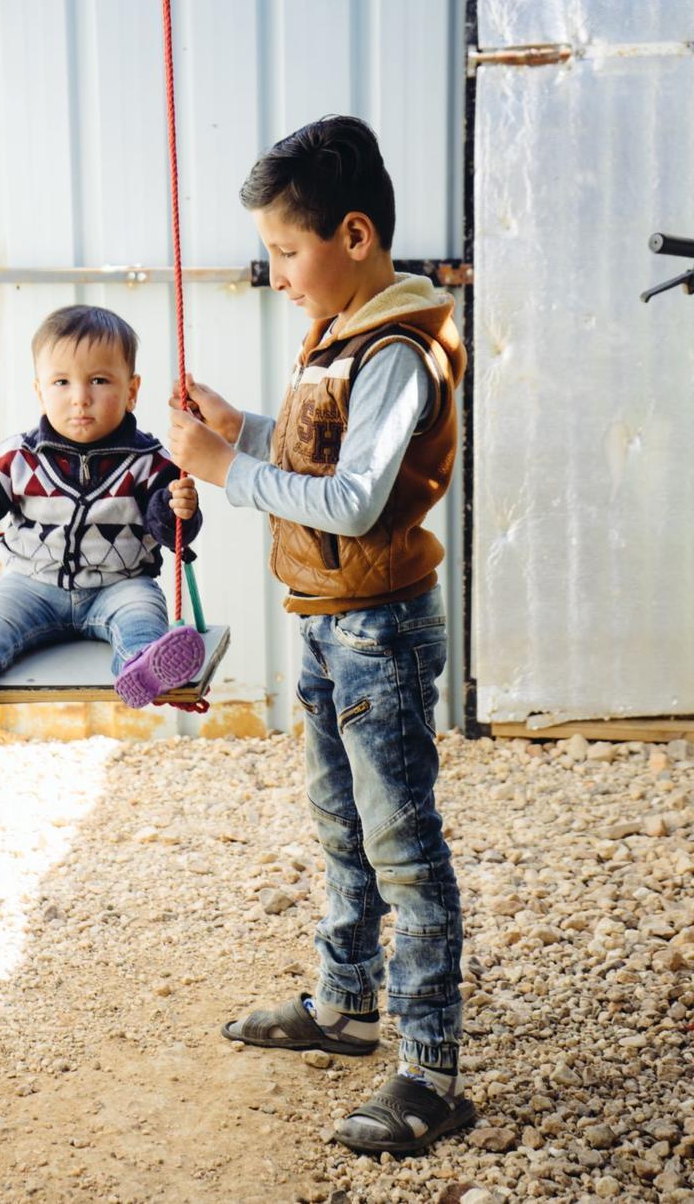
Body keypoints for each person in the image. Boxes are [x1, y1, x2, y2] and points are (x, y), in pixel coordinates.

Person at [168, 116, 474, 1156]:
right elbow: (313, 448)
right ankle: (343, 1007)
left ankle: (430, 1071)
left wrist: (224, 470)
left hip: (377, 633)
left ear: (353, 234)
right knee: (340, 823)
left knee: (402, 847)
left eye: (285, 252)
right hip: (327, 624)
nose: (277, 275)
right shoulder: (344, 332)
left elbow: (349, 500)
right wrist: (241, 426)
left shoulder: (400, 348)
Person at [0, 304, 204, 722]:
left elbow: (174, 531)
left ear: (131, 390)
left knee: (142, 615)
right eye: (61, 382)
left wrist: (176, 509)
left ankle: (142, 665)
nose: (80, 398)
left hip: (120, 585)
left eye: (99, 380)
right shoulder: (15, 457)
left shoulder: (151, 461)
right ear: (39, 391)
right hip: (30, 586)